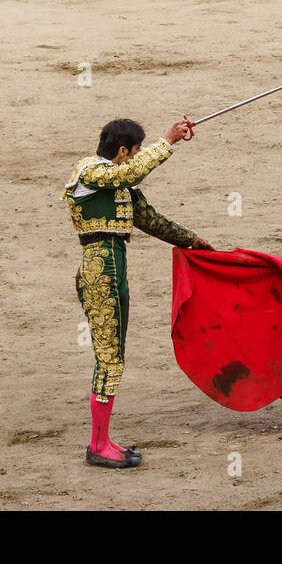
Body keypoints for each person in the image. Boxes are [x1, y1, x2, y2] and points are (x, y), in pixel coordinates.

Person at [64, 118, 212, 470]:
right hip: (102, 276)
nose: (137, 157)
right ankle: (98, 444)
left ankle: (102, 440)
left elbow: (150, 220)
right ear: (122, 151)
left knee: (112, 357)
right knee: (110, 359)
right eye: (136, 151)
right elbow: (127, 175)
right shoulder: (90, 170)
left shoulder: (120, 184)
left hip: (113, 273)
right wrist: (169, 141)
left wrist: (191, 240)